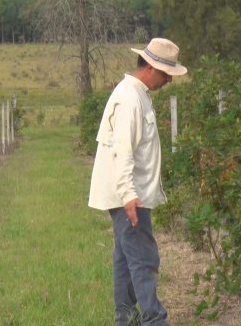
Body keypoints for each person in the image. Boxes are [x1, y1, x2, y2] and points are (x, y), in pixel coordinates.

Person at [88, 38, 187, 325]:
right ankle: (155, 320)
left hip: (129, 194)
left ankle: (127, 320)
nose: (169, 78)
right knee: (143, 260)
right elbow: (122, 149)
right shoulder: (130, 97)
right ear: (152, 68)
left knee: (125, 262)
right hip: (131, 197)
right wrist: (129, 195)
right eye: (167, 72)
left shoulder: (135, 93)